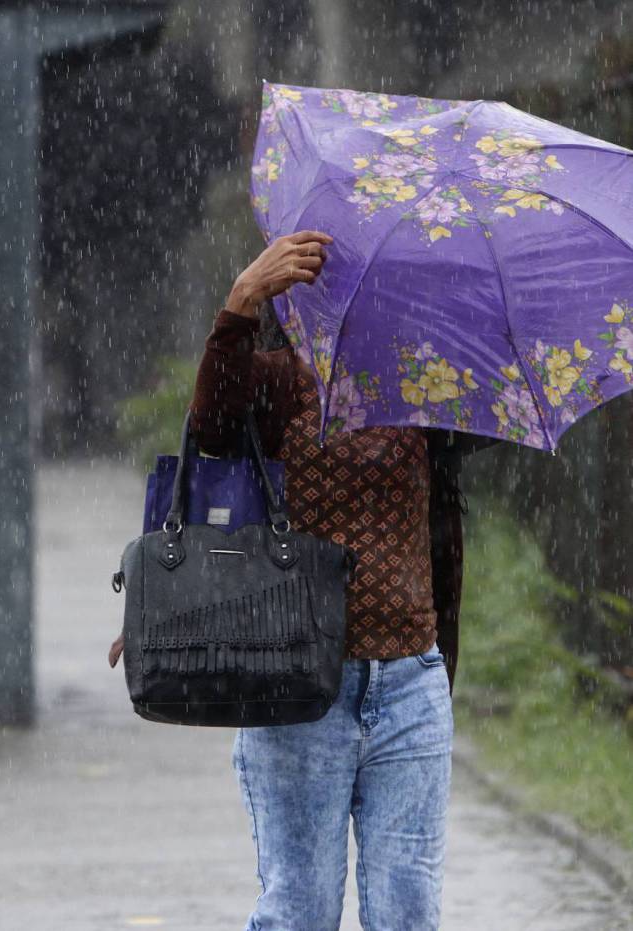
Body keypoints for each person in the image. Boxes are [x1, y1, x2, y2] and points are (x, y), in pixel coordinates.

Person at [109, 228, 497, 930]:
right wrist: (239, 306)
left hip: (410, 683)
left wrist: (457, 317)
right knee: (299, 909)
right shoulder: (277, 381)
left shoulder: (422, 384)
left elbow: (485, 426)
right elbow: (213, 431)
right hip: (294, 686)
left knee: (407, 909)